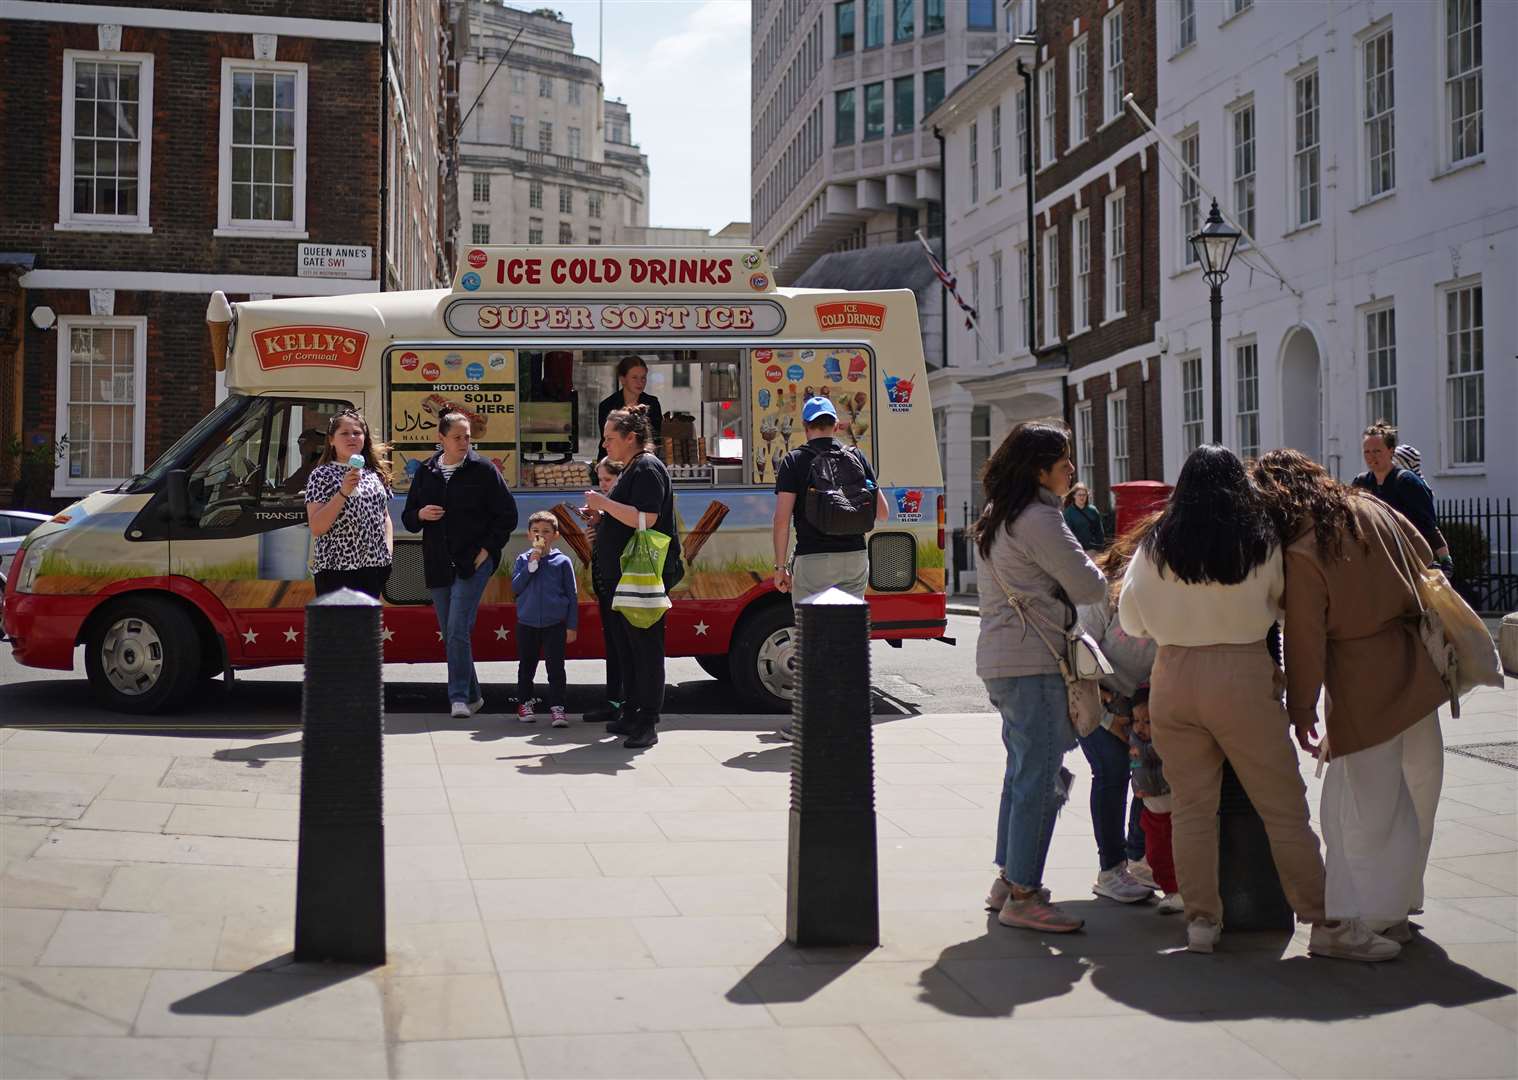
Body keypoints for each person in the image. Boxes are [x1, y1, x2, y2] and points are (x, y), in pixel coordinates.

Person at [1119, 444, 1392, 961]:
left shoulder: (1155, 544)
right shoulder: (1259, 539)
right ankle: (1325, 923)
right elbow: (1282, 611)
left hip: (1174, 676)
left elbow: (1132, 621)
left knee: (1191, 812)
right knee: (1283, 809)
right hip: (1242, 674)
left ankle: (1202, 922)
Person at [1254, 448, 1447, 952]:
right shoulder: (1370, 506)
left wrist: (1301, 711)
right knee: (1417, 790)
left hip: (1361, 680)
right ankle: (1400, 901)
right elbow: (1426, 556)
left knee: (1365, 804)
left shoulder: (1304, 549)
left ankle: (1362, 917)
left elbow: (1305, 640)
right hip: (1415, 665)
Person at [976, 422, 1107, 933]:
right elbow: (1091, 587)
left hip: (1004, 662)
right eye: (1064, 463)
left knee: (1023, 771)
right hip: (1035, 660)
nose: (1072, 470)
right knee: (1040, 777)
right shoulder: (1038, 520)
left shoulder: (998, 515)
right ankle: (1025, 895)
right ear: (1039, 470)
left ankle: (1008, 881)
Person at [401, 412, 519, 720]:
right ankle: (474, 695)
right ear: (440, 439)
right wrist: (421, 515)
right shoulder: (427, 471)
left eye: (467, 436)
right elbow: (408, 518)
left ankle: (458, 698)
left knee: (456, 628)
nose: (464, 442)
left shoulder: (483, 470)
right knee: (453, 630)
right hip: (438, 562)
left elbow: (507, 516)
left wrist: (487, 551)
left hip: (474, 562)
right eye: (457, 437)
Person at [584, 404, 682, 750]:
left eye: (610, 438)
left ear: (630, 438)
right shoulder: (632, 468)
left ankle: (647, 721)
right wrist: (603, 518)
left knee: (645, 648)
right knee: (627, 647)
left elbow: (648, 518)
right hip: (624, 576)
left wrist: (603, 503)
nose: (605, 444)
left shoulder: (647, 468)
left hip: (641, 577)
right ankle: (631, 711)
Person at [1075, 525, 1157, 905]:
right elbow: (1080, 651)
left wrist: (1142, 705)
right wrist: (1111, 711)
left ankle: (1138, 858)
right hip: (1095, 695)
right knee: (1111, 771)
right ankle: (1110, 870)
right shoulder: (1105, 591)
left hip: (1140, 699)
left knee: (1149, 772)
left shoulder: (1172, 593)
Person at [771, 395, 889, 601]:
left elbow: (781, 520)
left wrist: (780, 568)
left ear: (805, 426)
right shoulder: (856, 456)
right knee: (848, 627)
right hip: (855, 559)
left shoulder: (794, 461)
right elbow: (883, 513)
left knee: (813, 629)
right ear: (835, 426)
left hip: (813, 560)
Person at [303, 410, 393, 598]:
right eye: (344, 433)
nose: (352, 438)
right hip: (336, 570)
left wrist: (387, 552)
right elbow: (317, 527)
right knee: (341, 627)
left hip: (373, 568)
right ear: (331, 440)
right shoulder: (321, 475)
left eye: (357, 433)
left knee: (366, 627)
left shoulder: (374, 473)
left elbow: (384, 517)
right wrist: (343, 491)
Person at [512, 511, 579, 728]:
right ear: (529, 536)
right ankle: (524, 703)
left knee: (556, 667)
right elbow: (516, 587)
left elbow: (572, 595)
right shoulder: (523, 560)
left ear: (555, 535)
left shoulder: (562, 561)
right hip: (527, 623)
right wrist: (532, 563)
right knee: (527, 665)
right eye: (536, 531)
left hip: (554, 623)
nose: (541, 535)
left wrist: (571, 625)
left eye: (546, 532)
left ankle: (558, 707)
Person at [1353, 422, 1451, 568]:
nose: (1371, 457)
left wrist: (1445, 560)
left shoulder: (1407, 482)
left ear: (1391, 450)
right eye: (1367, 452)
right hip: (1374, 562)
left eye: (1377, 451)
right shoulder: (1361, 483)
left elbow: (1428, 525)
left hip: (1408, 561)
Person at [1127, 689, 1183, 913]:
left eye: (1147, 721)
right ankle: (1172, 890)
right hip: (1151, 809)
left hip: (1171, 808)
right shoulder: (1134, 738)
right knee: (1157, 855)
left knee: (1174, 852)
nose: (1140, 727)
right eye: (1136, 720)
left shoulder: (1168, 741)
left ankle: (1177, 891)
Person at [582, 457, 626, 725]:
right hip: (605, 583)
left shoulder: (621, 507)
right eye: (599, 481)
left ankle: (624, 703)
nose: (602, 486)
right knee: (613, 643)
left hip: (621, 584)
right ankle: (613, 700)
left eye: (608, 480)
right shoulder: (609, 509)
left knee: (623, 645)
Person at [596, 355, 663, 460]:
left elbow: (656, 439)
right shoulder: (607, 405)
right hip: (612, 463)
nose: (640, 382)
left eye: (643, 378)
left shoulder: (652, 403)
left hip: (643, 462)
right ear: (623, 379)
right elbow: (608, 440)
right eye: (634, 377)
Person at [1063, 483, 1105, 551]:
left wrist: (1100, 547)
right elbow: (1068, 533)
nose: (1082, 497)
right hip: (1077, 550)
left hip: (1093, 549)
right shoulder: (1068, 512)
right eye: (1079, 495)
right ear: (1074, 496)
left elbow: (1099, 531)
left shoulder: (1093, 510)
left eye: (1084, 495)